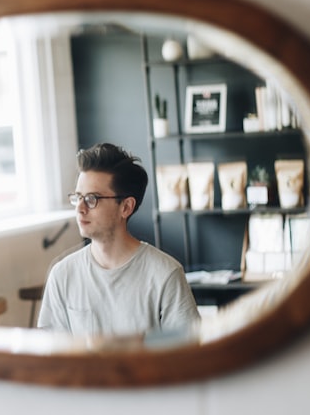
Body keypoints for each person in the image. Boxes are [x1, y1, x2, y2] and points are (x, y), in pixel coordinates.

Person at [37, 143, 199, 337]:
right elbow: (54, 356)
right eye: (78, 197)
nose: (80, 208)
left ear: (126, 207)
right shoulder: (62, 275)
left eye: (91, 199)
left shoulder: (165, 274)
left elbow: (189, 356)